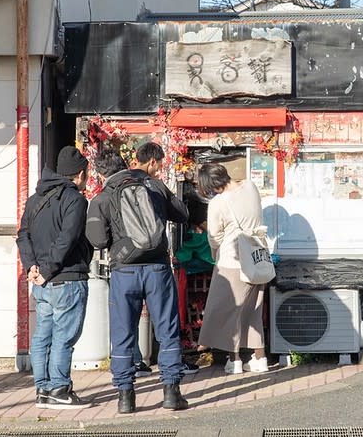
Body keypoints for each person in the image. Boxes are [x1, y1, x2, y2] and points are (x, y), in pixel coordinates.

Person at [86, 142, 190, 414]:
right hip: (157, 268)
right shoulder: (154, 186)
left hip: (124, 271)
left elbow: (97, 240)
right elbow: (182, 214)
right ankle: (171, 392)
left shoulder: (103, 197)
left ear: (99, 174)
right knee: (167, 330)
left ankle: (125, 398)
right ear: (124, 163)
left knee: (123, 333)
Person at [16, 146, 92, 409]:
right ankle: (59, 390)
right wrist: (46, 269)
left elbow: (22, 234)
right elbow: (67, 239)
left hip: (41, 281)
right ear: (80, 174)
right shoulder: (76, 200)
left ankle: (43, 390)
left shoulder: (36, 198)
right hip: (67, 278)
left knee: (42, 335)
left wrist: (32, 267)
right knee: (64, 336)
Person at [196, 162, 269, 375]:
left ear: (211, 185)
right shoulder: (250, 187)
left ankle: (234, 360)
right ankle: (259, 358)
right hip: (257, 258)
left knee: (228, 312)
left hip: (232, 261)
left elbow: (215, 237)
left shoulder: (218, 203)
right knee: (253, 311)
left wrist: (214, 254)